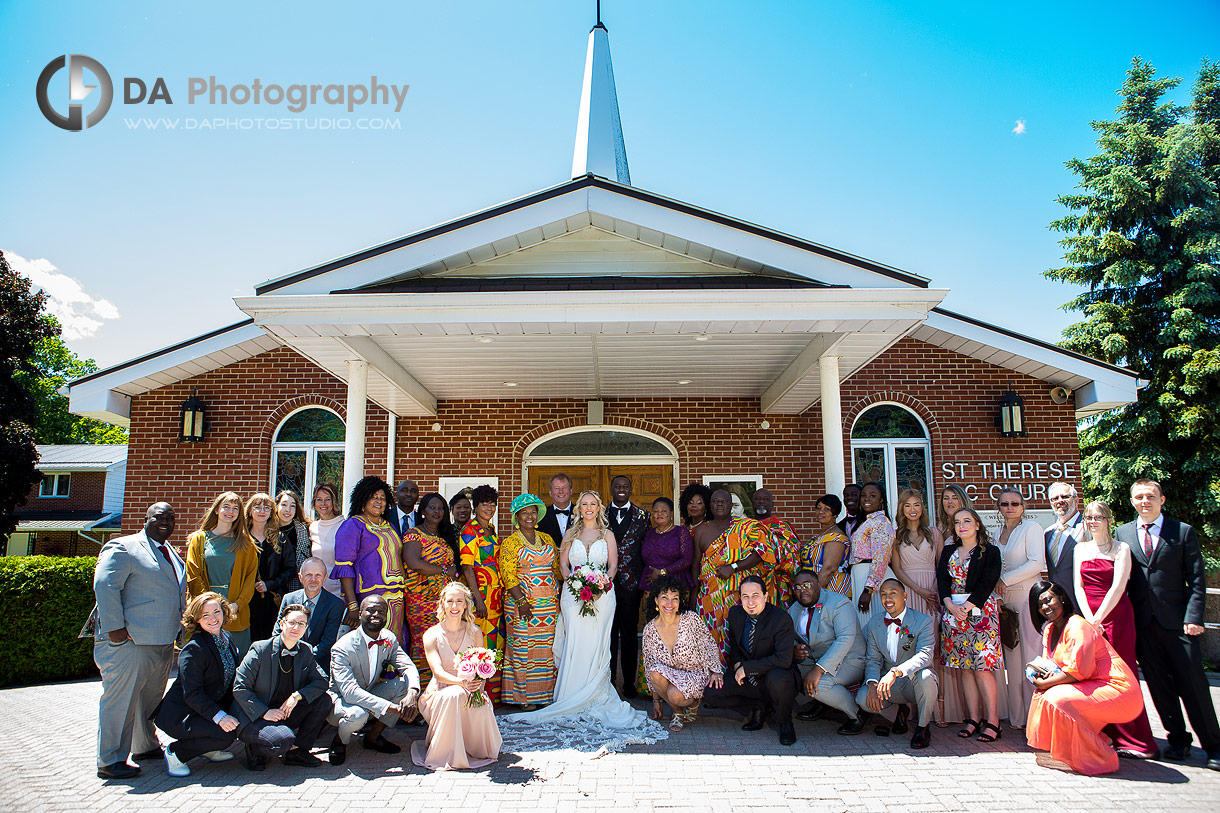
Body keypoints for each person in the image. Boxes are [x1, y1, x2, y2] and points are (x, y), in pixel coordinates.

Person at [498, 490, 666, 752]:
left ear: (599, 508)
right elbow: (562, 566)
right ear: (579, 508)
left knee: (598, 644)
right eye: (584, 504)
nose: (589, 508)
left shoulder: (607, 535)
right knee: (574, 643)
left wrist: (601, 586)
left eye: (593, 504)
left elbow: (612, 566)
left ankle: (596, 693)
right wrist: (574, 584)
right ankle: (569, 694)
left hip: (602, 596)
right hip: (573, 597)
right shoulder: (570, 534)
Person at [1119, 479, 1220, 769]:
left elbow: (1197, 579)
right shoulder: (1123, 533)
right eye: (1139, 497)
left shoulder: (1182, 531)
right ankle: (1177, 739)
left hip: (1180, 624)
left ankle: (1213, 745)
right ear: (1132, 501)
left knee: (1194, 685)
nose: (1144, 501)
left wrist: (1194, 616)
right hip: (1143, 624)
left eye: (1150, 496)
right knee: (1159, 686)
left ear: (1162, 499)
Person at [91, 502, 186, 779]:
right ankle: (110, 760)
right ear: (146, 519)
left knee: (148, 699)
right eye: (159, 517)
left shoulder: (170, 552)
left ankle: (144, 746)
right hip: (129, 642)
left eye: (170, 517)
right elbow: (105, 585)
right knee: (120, 701)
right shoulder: (123, 547)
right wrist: (114, 628)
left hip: (162, 640)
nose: (165, 521)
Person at [1025, 581, 1145, 775]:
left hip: (1119, 690)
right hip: (1089, 685)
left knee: (1056, 699)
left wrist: (1043, 683)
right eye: (1039, 605)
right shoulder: (1049, 630)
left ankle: (1099, 758)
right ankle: (1092, 742)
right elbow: (1050, 666)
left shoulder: (1077, 626)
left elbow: (1078, 671)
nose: (1045, 607)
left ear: (1061, 598)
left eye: (1049, 600)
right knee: (1042, 695)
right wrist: (1038, 676)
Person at [1073, 501, 1159, 758]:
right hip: (1089, 617)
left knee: (1123, 676)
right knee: (1095, 678)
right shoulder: (1080, 548)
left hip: (1116, 617)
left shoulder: (1122, 548)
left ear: (1109, 519)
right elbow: (1078, 586)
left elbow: (1119, 586)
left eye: (1098, 517)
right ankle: (1106, 734)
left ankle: (1136, 740)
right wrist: (1088, 619)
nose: (1093, 521)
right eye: (1089, 517)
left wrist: (1099, 619)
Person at [411, 582, 502, 770]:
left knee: (475, 702)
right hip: (441, 691)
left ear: (466, 604)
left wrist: (478, 688)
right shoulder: (432, 635)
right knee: (454, 694)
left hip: (470, 689)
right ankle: (445, 753)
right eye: (450, 601)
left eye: (459, 601)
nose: (454, 606)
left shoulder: (475, 631)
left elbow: (481, 666)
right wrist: (461, 683)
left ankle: (471, 748)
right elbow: (437, 672)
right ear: (443, 604)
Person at [232, 602, 334, 770]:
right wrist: (265, 712)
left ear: (306, 627)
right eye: (292, 622)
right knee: (282, 741)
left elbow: (322, 681)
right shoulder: (260, 649)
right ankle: (254, 748)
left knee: (323, 700)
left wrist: (297, 696)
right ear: (282, 624)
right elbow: (240, 687)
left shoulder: (305, 649)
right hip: (254, 714)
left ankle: (297, 751)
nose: (296, 627)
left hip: (283, 710)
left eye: (301, 624)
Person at [701, 576, 798, 745]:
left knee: (777, 678)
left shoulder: (781, 619)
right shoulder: (736, 614)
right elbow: (735, 644)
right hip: (750, 677)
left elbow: (783, 659)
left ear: (765, 596)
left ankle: (785, 721)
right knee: (711, 692)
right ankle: (758, 706)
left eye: (755, 595)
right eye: (745, 596)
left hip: (778, 675)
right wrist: (738, 663)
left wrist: (747, 668)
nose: (750, 601)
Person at [153, 592, 241, 777]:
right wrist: (220, 716)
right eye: (205, 615)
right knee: (225, 735)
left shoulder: (227, 638)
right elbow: (192, 694)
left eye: (216, 612)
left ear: (224, 611)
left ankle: (206, 748)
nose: (213, 618)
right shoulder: (194, 649)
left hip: (203, 711)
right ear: (197, 619)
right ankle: (176, 753)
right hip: (183, 715)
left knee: (235, 726)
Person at [326, 595, 421, 765]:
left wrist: (413, 693)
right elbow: (350, 693)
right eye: (370, 610)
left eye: (381, 611)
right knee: (357, 714)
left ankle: (372, 738)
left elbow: (408, 666)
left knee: (404, 686)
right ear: (360, 613)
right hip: (341, 702)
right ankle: (341, 741)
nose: (376, 614)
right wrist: (395, 709)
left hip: (369, 692)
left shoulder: (388, 638)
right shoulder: (342, 647)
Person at [937, 507, 1004, 743]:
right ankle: (973, 719)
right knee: (964, 668)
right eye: (957, 522)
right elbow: (943, 580)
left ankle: (993, 721)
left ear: (977, 525)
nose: (961, 525)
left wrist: (967, 606)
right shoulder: (948, 551)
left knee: (982, 669)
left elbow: (988, 581)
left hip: (981, 616)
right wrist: (949, 605)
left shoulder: (990, 551)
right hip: (953, 615)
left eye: (967, 521)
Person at [857, 579, 937, 749]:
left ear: (905, 596)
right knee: (863, 698)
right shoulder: (875, 622)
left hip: (914, 682)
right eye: (883, 595)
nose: (888, 598)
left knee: (927, 676)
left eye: (893, 593)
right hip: (890, 686)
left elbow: (925, 656)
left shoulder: (922, 621)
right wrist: (872, 684)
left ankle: (922, 728)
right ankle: (898, 713)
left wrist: (896, 672)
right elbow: (873, 659)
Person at [696, 490, 775, 664]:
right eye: (715, 501)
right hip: (710, 597)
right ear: (710, 505)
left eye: (724, 501)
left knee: (741, 635)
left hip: (740, 596)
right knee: (710, 639)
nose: (719, 504)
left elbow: (762, 553)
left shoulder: (747, 527)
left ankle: (742, 677)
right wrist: (693, 597)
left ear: (731, 506)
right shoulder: (702, 531)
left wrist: (733, 567)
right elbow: (696, 566)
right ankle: (716, 679)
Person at [888, 489, 945, 724]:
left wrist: (936, 593)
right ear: (901, 509)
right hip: (910, 593)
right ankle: (911, 707)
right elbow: (898, 569)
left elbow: (942, 566)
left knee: (935, 649)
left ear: (923, 508)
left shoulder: (934, 533)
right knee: (909, 649)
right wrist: (919, 591)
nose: (913, 509)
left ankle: (937, 709)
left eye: (917, 505)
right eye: (907, 505)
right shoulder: (896, 536)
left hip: (933, 592)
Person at [500, 494, 560, 709]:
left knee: (545, 650)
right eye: (524, 512)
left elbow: (556, 570)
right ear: (516, 516)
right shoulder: (510, 543)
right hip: (522, 604)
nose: (529, 516)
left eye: (533, 512)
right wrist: (522, 601)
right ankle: (523, 698)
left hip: (548, 605)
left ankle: (544, 695)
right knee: (522, 649)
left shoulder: (547, 539)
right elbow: (508, 574)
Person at [788, 569, 867, 733]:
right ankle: (822, 704)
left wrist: (819, 669)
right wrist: (794, 649)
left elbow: (845, 639)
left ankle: (858, 714)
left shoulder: (839, 603)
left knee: (820, 685)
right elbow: (791, 636)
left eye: (807, 585)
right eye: (797, 587)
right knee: (789, 671)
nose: (802, 590)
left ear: (818, 585)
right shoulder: (794, 609)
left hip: (850, 660)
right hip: (815, 658)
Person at [332, 476, 407, 647]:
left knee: (393, 645)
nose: (379, 501)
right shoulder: (352, 525)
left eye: (382, 498)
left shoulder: (389, 526)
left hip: (396, 599)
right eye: (374, 496)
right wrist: (352, 606)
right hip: (369, 598)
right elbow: (345, 568)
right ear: (363, 498)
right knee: (371, 645)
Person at [641, 574, 722, 731]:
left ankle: (693, 703)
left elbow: (709, 645)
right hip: (669, 675)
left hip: (694, 673)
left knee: (674, 695)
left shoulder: (690, 619)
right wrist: (656, 701)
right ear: (656, 600)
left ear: (679, 601)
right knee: (654, 672)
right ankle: (678, 713)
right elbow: (650, 665)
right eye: (665, 597)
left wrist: (716, 671)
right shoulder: (649, 630)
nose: (670, 603)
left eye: (675, 598)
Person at [994, 488, 1046, 730]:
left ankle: (1038, 716)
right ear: (999, 508)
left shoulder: (1031, 529)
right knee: (1012, 661)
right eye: (1004, 504)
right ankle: (1018, 717)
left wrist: (1006, 580)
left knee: (1032, 658)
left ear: (1023, 507)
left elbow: (1036, 562)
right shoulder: (997, 532)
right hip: (1005, 602)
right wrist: (997, 593)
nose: (1010, 507)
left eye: (1015, 503)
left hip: (1027, 598)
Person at [185, 492, 258, 659]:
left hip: (235, 613)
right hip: (205, 613)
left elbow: (250, 579)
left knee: (236, 663)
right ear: (217, 509)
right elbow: (193, 575)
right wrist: (208, 606)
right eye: (226, 507)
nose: (230, 511)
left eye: (235, 508)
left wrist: (236, 605)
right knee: (205, 663)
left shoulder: (246, 543)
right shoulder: (200, 539)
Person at [402, 491, 459, 685]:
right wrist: (445, 571)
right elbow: (414, 563)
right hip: (421, 600)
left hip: (444, 602)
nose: (437, 511)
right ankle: (422, 695)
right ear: (423, 511)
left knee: (445, 645)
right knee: (424, 645)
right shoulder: (414, 534)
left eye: (441, 508)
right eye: (432, 507)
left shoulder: (443, 536)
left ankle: (443, 692)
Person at [605, 474, 650, 698]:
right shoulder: (600, 515)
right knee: (608, 634)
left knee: (631, 634)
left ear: (630, 490)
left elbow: (648, 548)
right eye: (617, 486)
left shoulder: (644, 516)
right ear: (611, 489)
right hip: (604, 585)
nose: (621, 489)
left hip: (632, 585)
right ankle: (609, 679)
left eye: (625, 486)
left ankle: (629, 683)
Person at [459, 484, 503, 704]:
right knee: (479, 645)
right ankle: (476, 696)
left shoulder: (491, 530)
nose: (489, 508)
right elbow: (467, 568)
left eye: (492, 504)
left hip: (495, 597)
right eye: (485, 504)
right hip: (481, 598)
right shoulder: (469, 531)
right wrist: (477, 598)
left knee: (494, 645)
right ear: (476, 506)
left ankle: (492, 697)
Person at [275, 557, 344, 671]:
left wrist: (301, 660)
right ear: (300, 577)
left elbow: (327, 642)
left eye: (318, 575)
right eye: (308, 575)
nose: (313, 579)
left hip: (316, 666)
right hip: (286, 660)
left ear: (325, 578)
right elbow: (278, 630)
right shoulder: (289, 599)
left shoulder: (335, 605)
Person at [849, 482, 896, 632]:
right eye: (863, 495)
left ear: (881, 500)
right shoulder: (868, 521)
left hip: (871, 578)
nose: (866, 499)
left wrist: (868, 590)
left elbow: (881, 557)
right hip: (861, 574)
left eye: (872, 496)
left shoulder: (881, 522)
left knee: (871, 626)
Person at [247, 492, 290, 642]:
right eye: (257, 507)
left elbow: (290, 569)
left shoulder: (280, 538)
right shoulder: (242, 537)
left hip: (272, 601)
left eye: (267, 508)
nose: (262, 511)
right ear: (250, 511)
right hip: (246, 601)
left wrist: (269, 584)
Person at [752, 488, 801, 605]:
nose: (761, 502)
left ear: (772, 504)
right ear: (752, 503)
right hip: (753, 581)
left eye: (765, 499)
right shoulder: (746, 527)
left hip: (780, 582)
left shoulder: (782, 526)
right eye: (757, 499)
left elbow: (793, 553)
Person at [641, 497, 695, 594]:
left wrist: (663, 572)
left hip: (675, 583)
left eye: (664, 511)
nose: (659, 513)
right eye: (656, 511)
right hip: (651, 584)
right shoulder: (649, 534)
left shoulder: (681, 532)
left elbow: (686, 559)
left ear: (671, 513)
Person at [800, 495, 851, 597]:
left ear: (835, 515)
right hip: (813, 585)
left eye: (827, 509)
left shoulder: (836, 537)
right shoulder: (819, 536)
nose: (821, 512)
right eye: (818, 508)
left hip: (830, 588)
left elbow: (829, 568)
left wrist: (813, 591)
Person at [1044, 481, 1084, 593]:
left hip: (1083, 597)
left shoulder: (1088, 527)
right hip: (1058, 601)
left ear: (1076, 500)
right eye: (1055, 498)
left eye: (1065, 496)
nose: (1060, 501)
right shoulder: (1048, 533)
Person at [307, 482, 345, 600]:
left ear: (334, 502)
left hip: (338, 592)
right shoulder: (312, 527)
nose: (323, 504)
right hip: (316, 590)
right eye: (319, 499)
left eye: (327, 499)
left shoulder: (344, 526)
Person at [274, 490, 310, 593]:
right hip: (274, 587)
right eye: (284, 505)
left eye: (292, 506)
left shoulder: (305, 530)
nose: (288, 510)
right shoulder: (268, 529)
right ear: (277, 506)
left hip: (297, 587)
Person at [536, 472, 574, 550]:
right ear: (550, 493)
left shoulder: (582, 513)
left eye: (564, 487)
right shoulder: (541, 516)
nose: (561, 491)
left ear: (570, 491)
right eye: (557, 488)